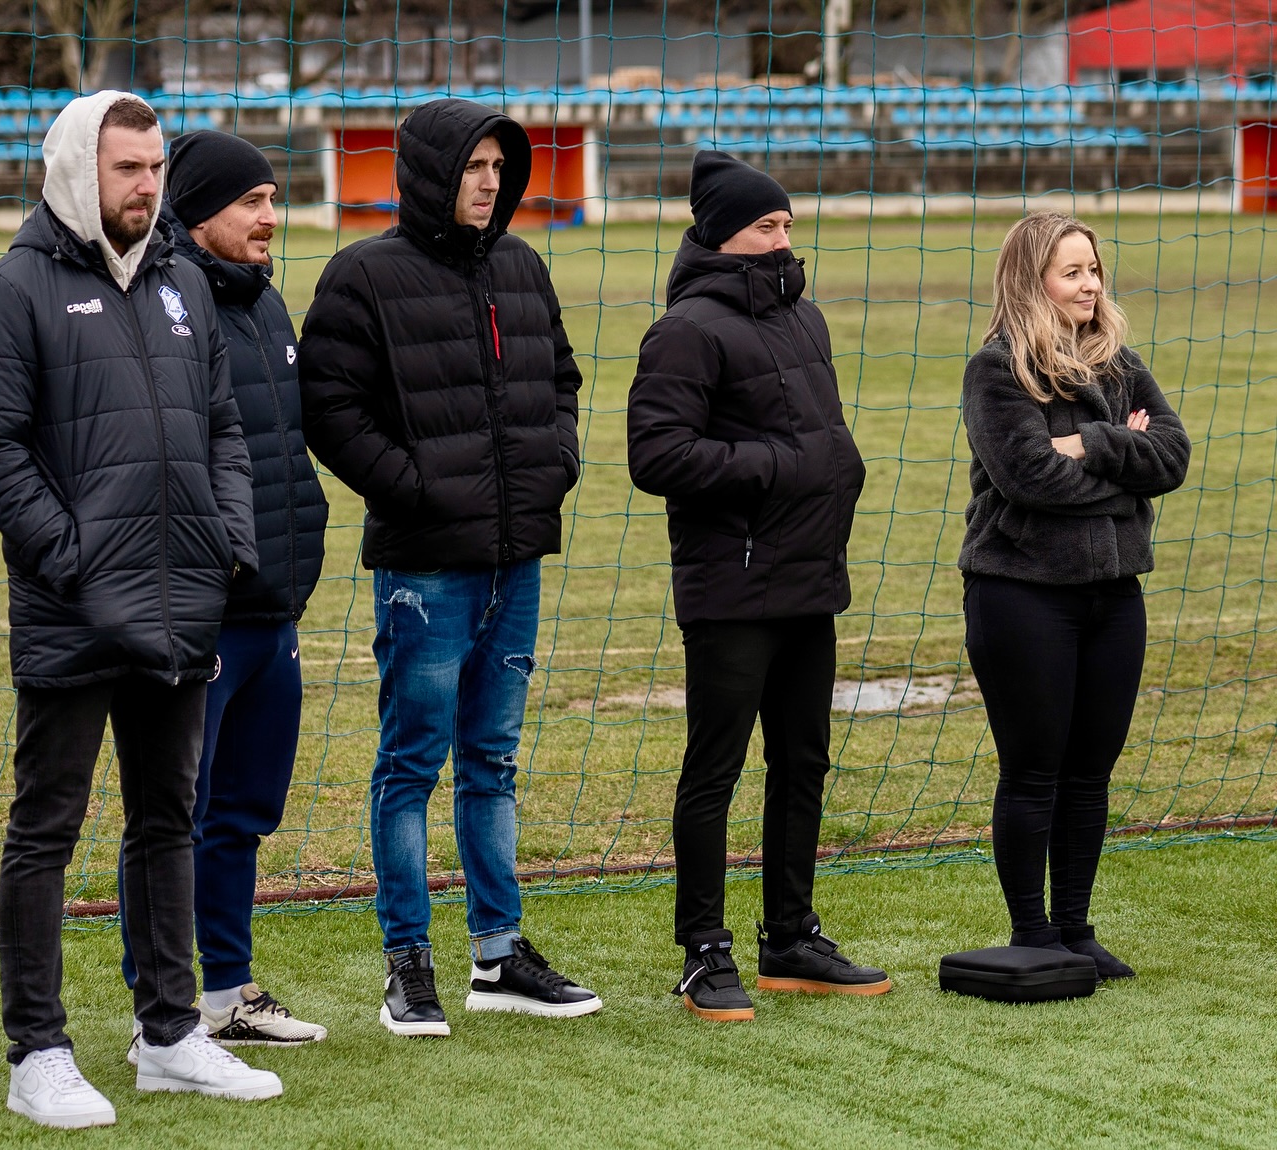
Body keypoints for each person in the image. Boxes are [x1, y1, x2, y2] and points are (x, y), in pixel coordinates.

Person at [0, 91, 281, 1129]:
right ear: (73, 170)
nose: (147, 185)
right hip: (73, 608)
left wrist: (227, 539)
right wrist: (73, 556)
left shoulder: (183, 282)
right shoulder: (10, 290)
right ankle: (37, 1052)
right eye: (127, 169)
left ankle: (171, 1034)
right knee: (46, 828)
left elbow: (223, 428)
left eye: (154, 167)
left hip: (184, 600)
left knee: (166, 819)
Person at [298, 97, 600, 1037]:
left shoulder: (520, 264)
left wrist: (558, 463)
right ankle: (407, 964)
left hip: (517, 561)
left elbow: (561, 380)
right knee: (411, 762)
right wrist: (414, 487)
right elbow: (329, 409)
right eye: (473, 166)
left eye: (498, 166)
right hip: (426, 568)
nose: (490, 181)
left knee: (493, 761)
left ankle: (498, 953)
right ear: (432, 172)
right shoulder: (362, 276)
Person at [627, 150, 890, 1023]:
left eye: (787, 223)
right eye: (767, 225)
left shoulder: (801, 316)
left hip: (810, 580)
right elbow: (655, 456)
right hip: (732, 589)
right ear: (722, 234)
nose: (785, 237)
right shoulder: (686, 330)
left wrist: (832, 469)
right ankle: (705, 951)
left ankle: (791, 935)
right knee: (716, 768)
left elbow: (821, 438)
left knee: (803, 761)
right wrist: (783, 465)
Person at [114, 130, 330, 1046]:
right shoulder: (161, 302)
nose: (270, 218)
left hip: (272, 609)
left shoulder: (265, 301)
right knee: (174, 816)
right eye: (253, 202)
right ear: (199, 211)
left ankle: (224, 998)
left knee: (241, 812)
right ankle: (156, 1010)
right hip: (200, 610)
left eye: (276, 199)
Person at [959, 211, 1189, 979]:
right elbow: (1028, 477)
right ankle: (1033, 933)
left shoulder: (1119, 363)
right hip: (1022, 594)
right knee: (1035, 769)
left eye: (1093, 269)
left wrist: (1090, 443)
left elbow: (1174, 455)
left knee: (1092, 771)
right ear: (1032, 282)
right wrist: (1125, 474)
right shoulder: (996, 371)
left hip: (1115, 597)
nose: (1089, 284)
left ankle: (1075, 927)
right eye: (1071, 272)